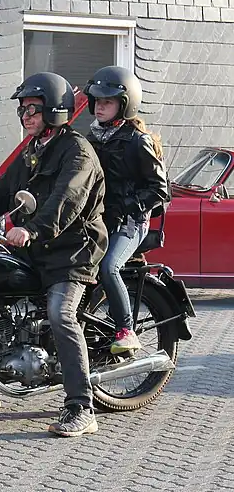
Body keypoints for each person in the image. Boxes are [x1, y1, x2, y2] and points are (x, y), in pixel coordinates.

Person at [0, 72, 108, 437]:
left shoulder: (77, 151)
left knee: (60, 313)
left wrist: (32, 229)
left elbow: (67, 200)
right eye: (22, 109)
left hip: (72, 251)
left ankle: (82, 406)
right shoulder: (33, 150)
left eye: (33, 108)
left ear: (55, 110)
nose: (26, 115)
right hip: (36, 248)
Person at [83, 66, 169, 354]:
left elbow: (159, 189)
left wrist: (128, 207)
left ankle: (126, 330)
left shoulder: (137, 141)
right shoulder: (93, 138)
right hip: (101, 220)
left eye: (107, 102)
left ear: (124, 104)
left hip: (131, 223)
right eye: (97, 101)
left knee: (109, 266)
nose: (99, 107)